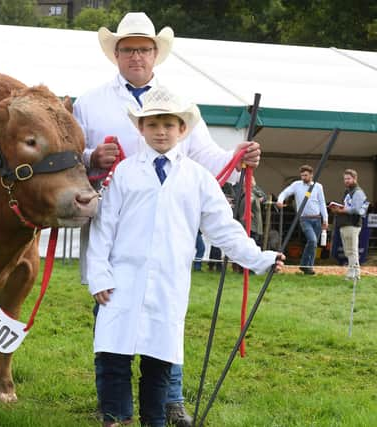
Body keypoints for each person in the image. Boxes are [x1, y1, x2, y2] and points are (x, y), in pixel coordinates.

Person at [72, 12, 262, 425]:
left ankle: (169, 402)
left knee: (163, 314)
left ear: (156, 54)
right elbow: (70, 158)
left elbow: (207, 157)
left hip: (167, 229)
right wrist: (90, 158)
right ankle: (114, 408)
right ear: (115, 54)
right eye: (128, 49)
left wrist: (238, 155)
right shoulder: (89, 101)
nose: (136, 56)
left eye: (143, 48)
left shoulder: (181, 104)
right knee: (112, 313)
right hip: (111, 224)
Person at [87, 87, 285, 427]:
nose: (161, 131)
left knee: (158, 363)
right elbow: (104, 227)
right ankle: (114, 420)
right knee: (112, 358)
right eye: (153, 125)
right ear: (141, 129)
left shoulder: (198, 179)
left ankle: (154, 421)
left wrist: (259, 258)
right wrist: (99, 274)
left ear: (183, 130)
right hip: (121, 281)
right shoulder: (124, 173)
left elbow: (224, 228)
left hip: (168, 284)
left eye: (169, 124)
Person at [276, 165, 328, 275]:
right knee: (312, 240)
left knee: (313, 244)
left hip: (317, 218)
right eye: (302, 175)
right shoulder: (296, 185)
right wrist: (280, 200)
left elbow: (322, 203)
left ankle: (308, 266)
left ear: (311, 175)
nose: (303, 177)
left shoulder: (318, 186)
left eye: (306, 175)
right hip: (304, 218)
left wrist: (325, 219)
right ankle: (305, 264)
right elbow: (285, 192)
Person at [329, 169, 368, 280]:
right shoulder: (348, 192)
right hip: (345, 224)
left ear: (355, 179)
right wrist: (338, 209)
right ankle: (352, 273)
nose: (346, 181)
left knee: (352, 250)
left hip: (352, 224)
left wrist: (341, 210)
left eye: (348, 178)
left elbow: (356, 209)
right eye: (345, 179)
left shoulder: (358, 192)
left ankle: (355, 274)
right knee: (348, 251)